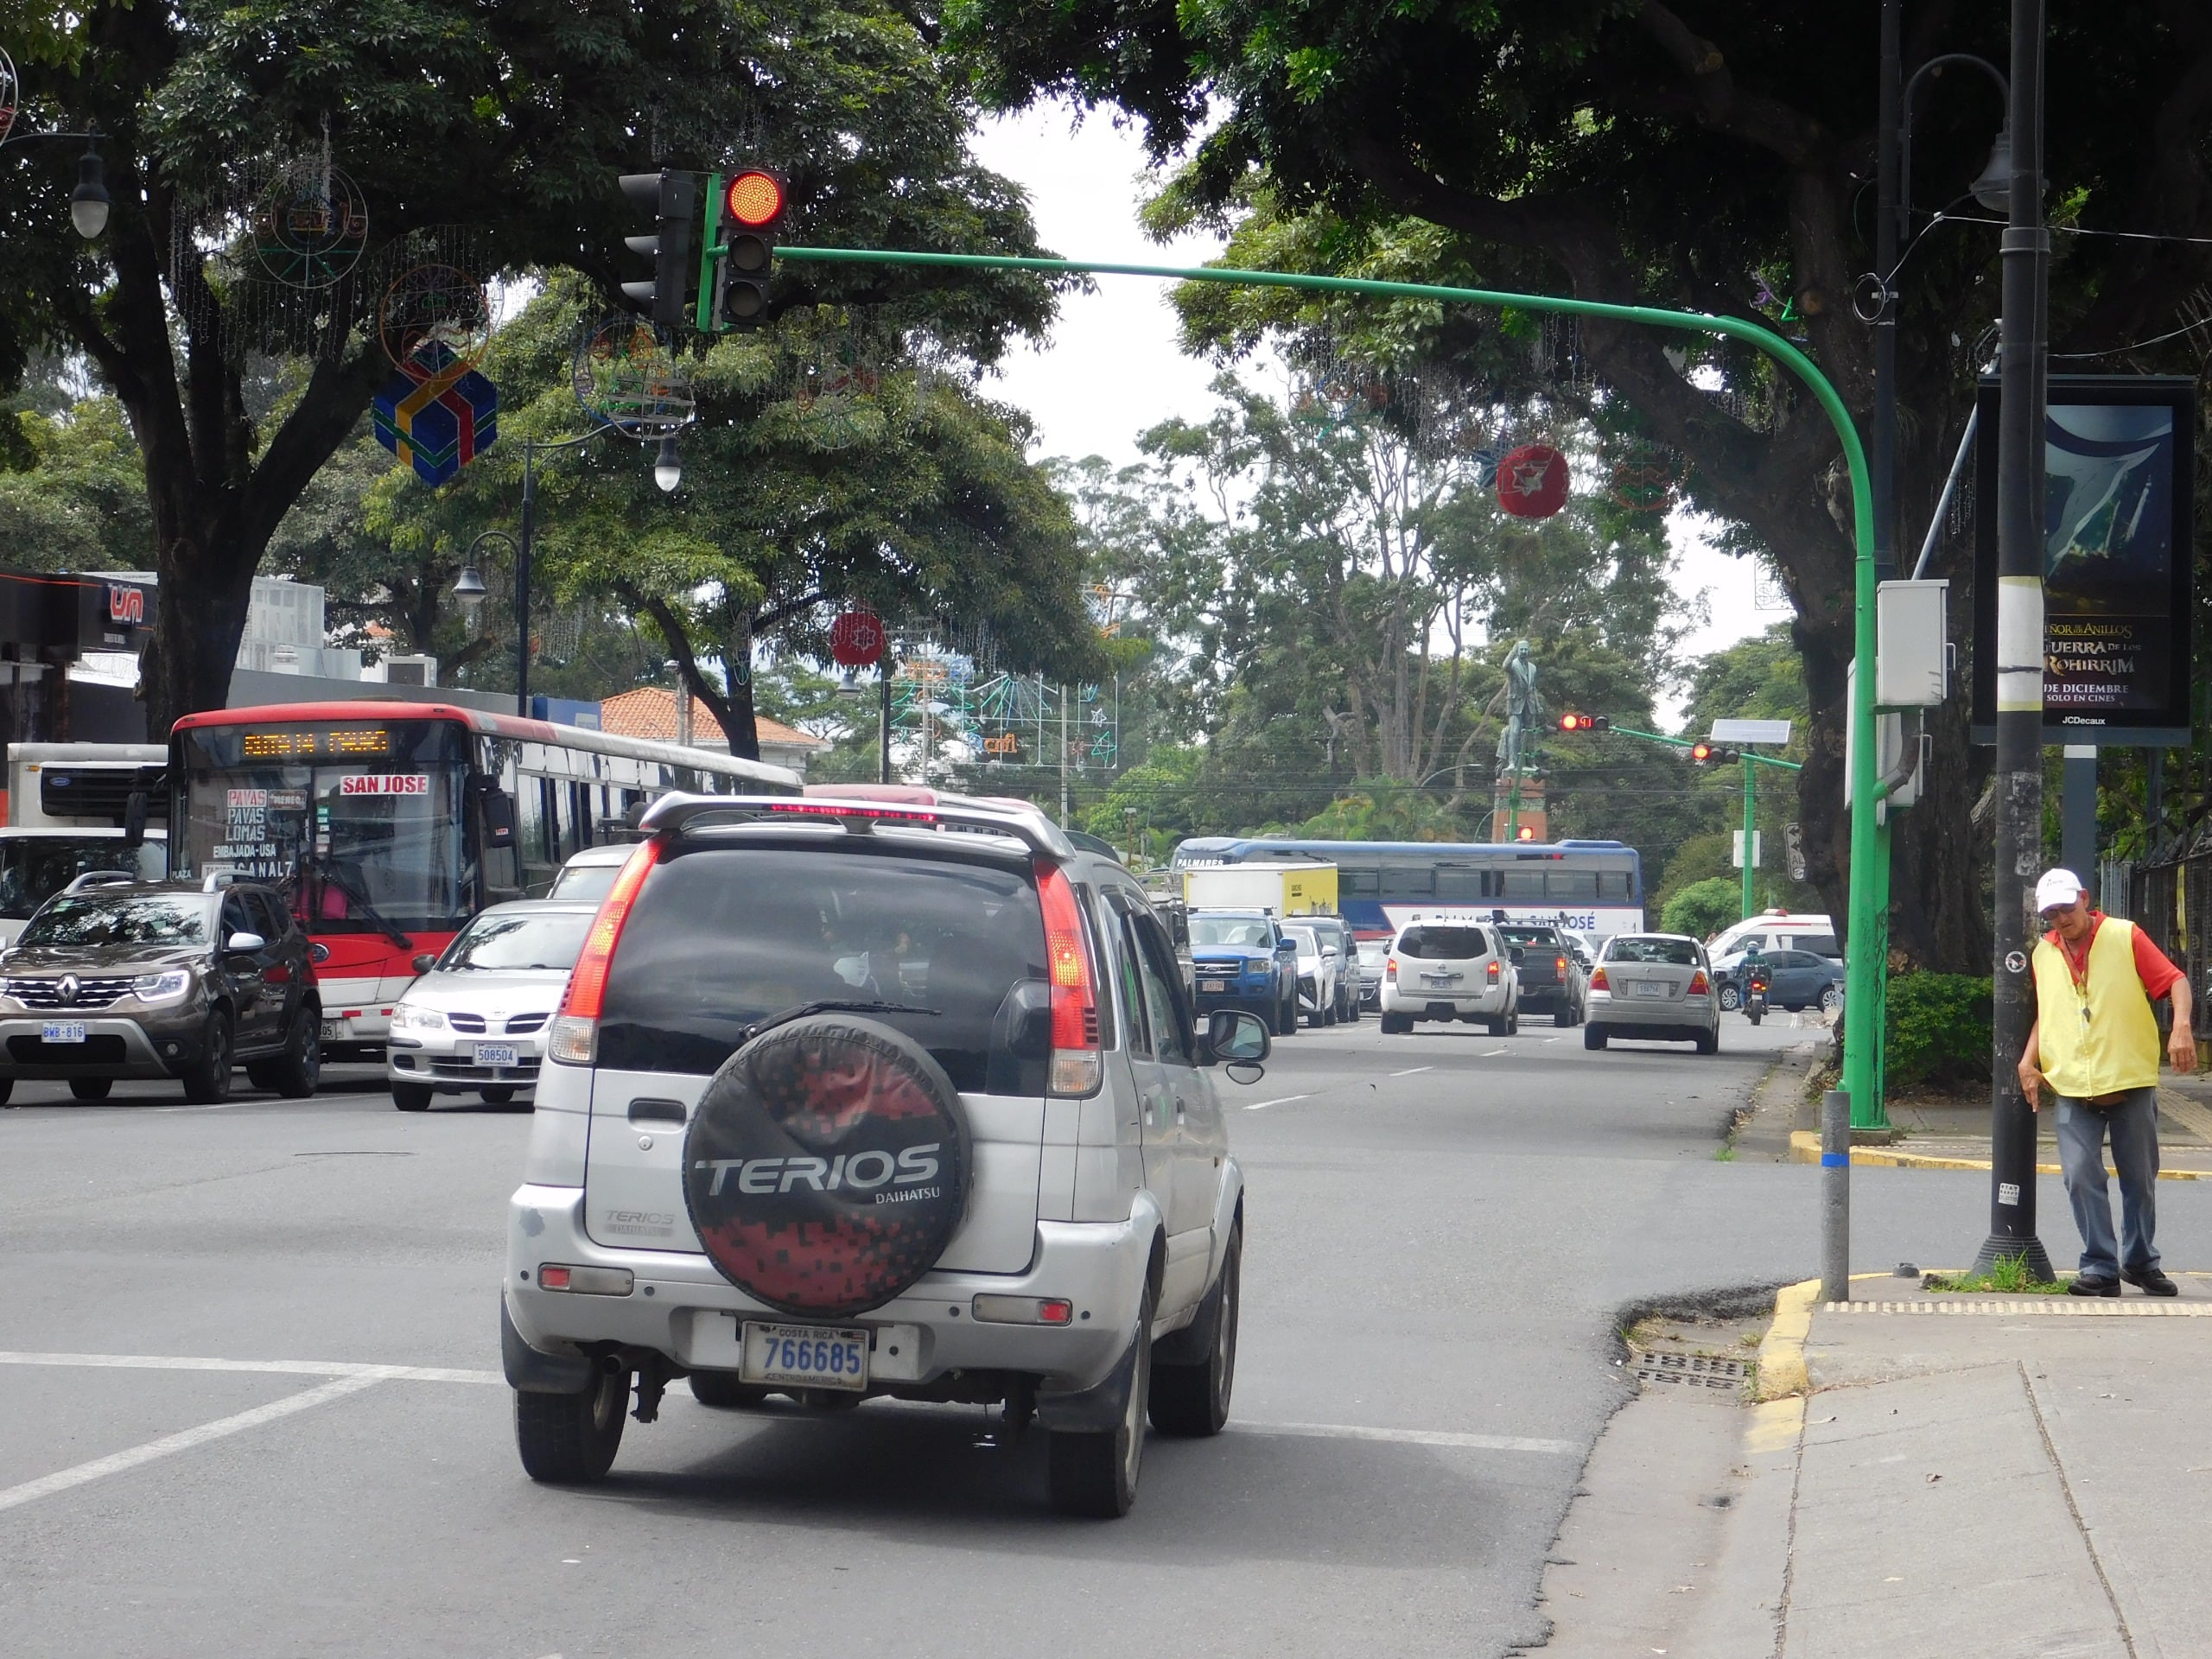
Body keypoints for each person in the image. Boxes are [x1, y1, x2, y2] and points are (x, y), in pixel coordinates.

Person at [2018, 868, 2197, 1296]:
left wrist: (2182, 1027)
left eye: (2066, 908)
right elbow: (2052, 1012)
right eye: (2051, 914)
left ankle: (2140, 1262)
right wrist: (2028, 1061)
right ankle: (2099, 1266)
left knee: (2140, 1179)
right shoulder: (2044, 954)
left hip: (2128, 1081)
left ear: (2085, 898)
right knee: (2080, 1175)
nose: (2061, 919)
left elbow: (2176, 981)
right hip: (2073, 1085)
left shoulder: (2124, 935)